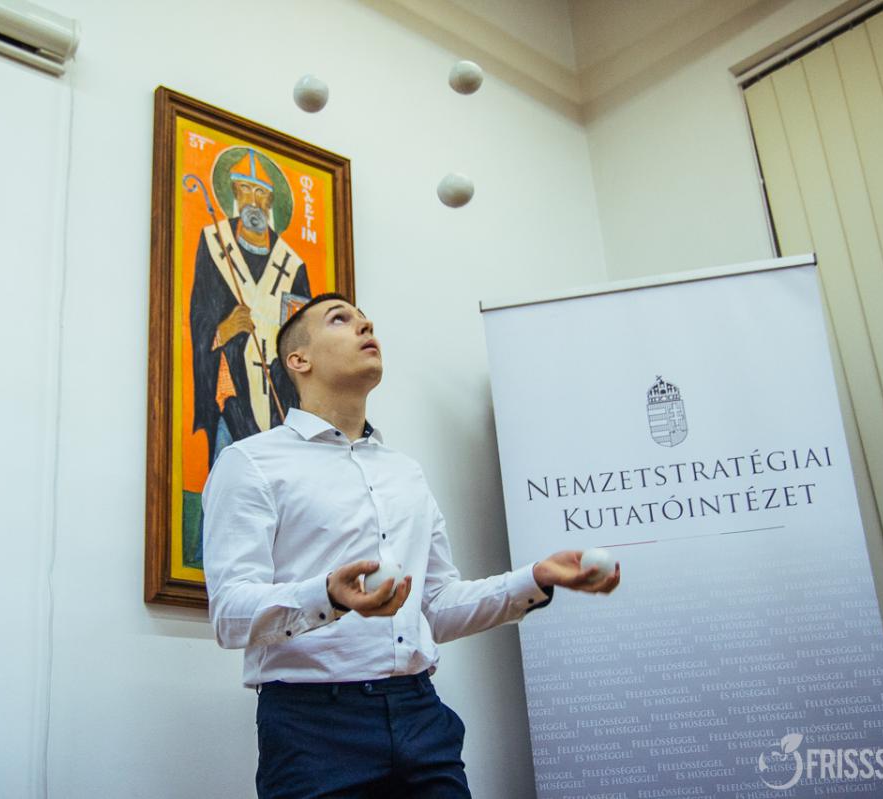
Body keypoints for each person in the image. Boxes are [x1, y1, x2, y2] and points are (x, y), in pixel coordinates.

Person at [201, 293, 621, 799]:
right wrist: (328, 595)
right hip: (312, 730)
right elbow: (229, 614)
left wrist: (535, 579)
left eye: (366, 320)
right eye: (340, 319)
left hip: (422, 717)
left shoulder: (405, 472)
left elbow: (435, 606)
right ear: (299, 359)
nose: (365, 326)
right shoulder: (250, 464)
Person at [189, 147, 310, 469]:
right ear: (233, 193)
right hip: (231, 385)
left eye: (261, 192)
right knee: (231, 473)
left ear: (270, 202)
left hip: (277, 388)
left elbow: (303, 337)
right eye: (244, 188)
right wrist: (221, 331)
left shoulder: (292, 265)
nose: (252, 201)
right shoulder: (215, 243)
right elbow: (199, 312)